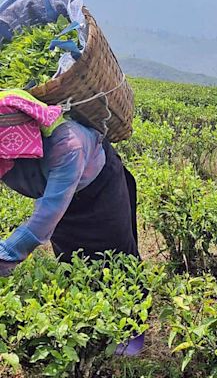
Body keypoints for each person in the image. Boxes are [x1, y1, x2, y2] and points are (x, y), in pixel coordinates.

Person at [0, 89, 144, 356]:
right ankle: (88, 323)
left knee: (115, 256)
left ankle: (130, 328)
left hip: (100, 191)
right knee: (71, 259)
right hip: (63, 195)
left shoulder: (67, 144)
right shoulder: (11, 153)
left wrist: (7, 254)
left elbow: (49, 211)